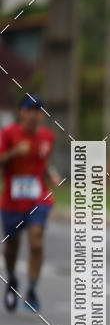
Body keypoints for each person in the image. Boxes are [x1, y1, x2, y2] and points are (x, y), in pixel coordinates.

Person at [0, 94, 60, 313]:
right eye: (31, 110)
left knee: (36, 242)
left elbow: (43, 163)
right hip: (12, 202)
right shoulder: (8, 134)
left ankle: (32, 289)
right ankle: (12, 278)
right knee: (12, 246)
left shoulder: (47, 137)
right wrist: (15, 152)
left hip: (39, 197)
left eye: (39, 111)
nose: (36, 115)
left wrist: (51, 174)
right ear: (21, 113)